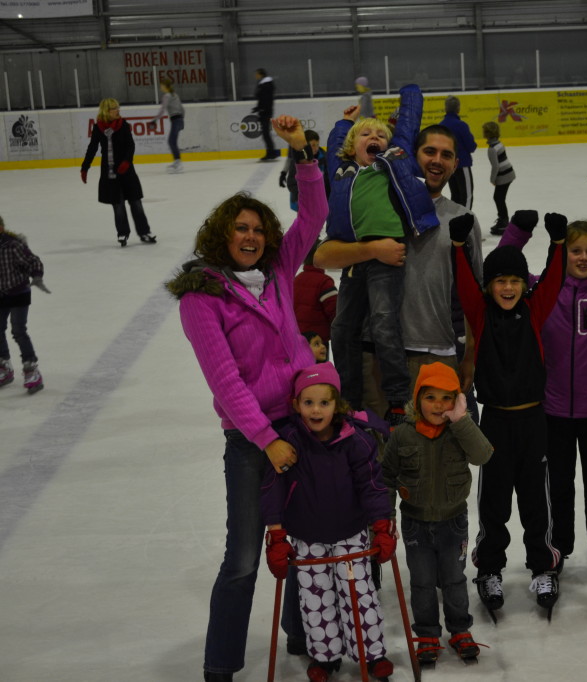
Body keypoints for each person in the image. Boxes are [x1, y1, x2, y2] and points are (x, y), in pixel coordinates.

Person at [165, 115, 328, 682]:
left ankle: (305, 637)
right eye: (240, 229)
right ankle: (219, 666)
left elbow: (315, 216)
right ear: (221, 235)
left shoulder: (280, 270)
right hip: (253, 440)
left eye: (258, 228)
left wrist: (304, 157)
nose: (251, 237)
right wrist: (265, 440)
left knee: (308, 542)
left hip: (308, 424)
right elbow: (225, 381)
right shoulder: (202, 296)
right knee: (242, 559)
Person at [497, 196, 587, 579]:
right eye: (575, 250)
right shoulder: (541, 291)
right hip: (552, 410)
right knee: (556, 487)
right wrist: (518, 232)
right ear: (563, 251)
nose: (582, 257)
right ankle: (556, 548)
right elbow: (501, 271)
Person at [315, 125, 484, 420]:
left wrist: (470, 355)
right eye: (429, 151)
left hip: (436, 353)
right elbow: (322, 256)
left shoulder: (463, 219)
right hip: (374, 357)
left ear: (456, 164)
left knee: (438, 460)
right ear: (410, 156)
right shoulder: (377, 203)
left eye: (446, 155)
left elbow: (474, 297)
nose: (437, 160)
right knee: (380, 459)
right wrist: (373, 249)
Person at [450, 210, 565, 616]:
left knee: (537, 501)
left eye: (516, 280)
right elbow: (464, 286)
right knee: (494, 503)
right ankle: (489, 568)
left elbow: (553, 281)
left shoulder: (533, 311)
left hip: (534, 422)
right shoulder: (480, 315)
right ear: (490, 285)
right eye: (501, 281)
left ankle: (543, 566)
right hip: (495, 421)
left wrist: (559, 244)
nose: (509, 287)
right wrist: (459, 246)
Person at [260, 362, 397, 682]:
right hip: (308, 538)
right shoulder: (288, 441)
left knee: (359, 596)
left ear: (337, 404)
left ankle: (372, 654)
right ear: (296, 405)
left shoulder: (356, 440)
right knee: (315, 600)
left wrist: (381, 526)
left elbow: (373, 487)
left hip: (351, 534)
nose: (316, 410)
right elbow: (273, 490)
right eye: (308, 403)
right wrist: (277, 537)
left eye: (324, 402)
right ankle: (325, 656)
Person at [323, 84, 439, 424]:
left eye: (380, 134)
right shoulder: (342, 171)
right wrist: (344, 125)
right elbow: (333, 148)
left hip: (388, 255)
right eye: (366, 135)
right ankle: (348, 396)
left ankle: (399, 396)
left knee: (384, 324)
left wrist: (410, 95)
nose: (374, 137)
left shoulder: (394, 161)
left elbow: (408, 127)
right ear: (352, 146)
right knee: (343, 328)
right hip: (354, 258)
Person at [379, 362, 493, 663]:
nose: (438, 405)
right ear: (417, 399)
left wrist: (461, 420)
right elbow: (386, 476)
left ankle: (459, 630)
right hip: (415, 522)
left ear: (456, 400)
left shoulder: (459, 430)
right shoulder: (403, 435)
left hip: (453, 521)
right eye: (430, 397)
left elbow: (483, 455)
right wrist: (386, 516)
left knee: (455, 579)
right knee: (422, 581)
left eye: (446, 398)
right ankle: (427, 633)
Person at [80, 98, 157, 248]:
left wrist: (127, 161)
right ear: (106, 111)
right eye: (114, 108)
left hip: (127, 170)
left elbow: (131, 145)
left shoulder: (123, 125)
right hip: (110, 173)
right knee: (118, 205)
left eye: (118, 108)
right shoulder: (98, 128)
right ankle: (123, 233)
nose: (118, 111)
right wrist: (85, 167)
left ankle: (144, 232)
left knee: (136, 202)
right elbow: (92, 148)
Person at [0, 214, 48, 394]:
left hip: (18, 292)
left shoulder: (13, 246)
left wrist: (36, 276)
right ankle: (3, 363)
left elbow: (33, 261)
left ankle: (30, 367)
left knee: (18, 330)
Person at [294, 241, 337, 358]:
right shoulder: (325, 282)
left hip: (297, 340)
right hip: (318, 342)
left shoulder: (295, 280)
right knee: (319, 373)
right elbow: (335, 313)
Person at [440, 95, 477, 209]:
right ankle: (465, 222)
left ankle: (454, 220)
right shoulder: (461, 125)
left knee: (455, 195)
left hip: (448, 166)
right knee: (467, 195)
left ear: (446, 108)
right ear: (458, 109)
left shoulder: (441, 126)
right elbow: (471, 146)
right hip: (462, 164)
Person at [279, 129, 329, 211]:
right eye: (313, 145)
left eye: (317, 144)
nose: (316, 148)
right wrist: (305, 195)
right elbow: (292, 183)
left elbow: (327, 179)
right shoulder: (298, 161)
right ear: (305, 145)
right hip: (302, 203)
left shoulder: (324, 157)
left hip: (320, 200)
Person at [483, 120, 515, 236]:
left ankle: (504, 222)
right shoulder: (499, 143)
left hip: (504, 175)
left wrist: (492, 179)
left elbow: (495, 166)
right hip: (509, 172)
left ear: (486, 134)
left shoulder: (492, 149)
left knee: (498, 198)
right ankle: (503, 220)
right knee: (499, 198)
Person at [147, 78, 186, 173]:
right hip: (179, 119)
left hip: (175, 120)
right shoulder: (175, 95)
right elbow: (182, 108)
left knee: (171, 141)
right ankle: (177, 162)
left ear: (165, 86)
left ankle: (178, 163)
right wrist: (182, 120)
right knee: (172, 141)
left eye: (161, 85)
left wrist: (155, 120)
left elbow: (162, 109)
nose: (160, 87)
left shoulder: (167, 96)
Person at [253, 68, 279, 161]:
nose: (255, 76)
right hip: (265, 111)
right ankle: (271, 152)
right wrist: (258, 108)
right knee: (266, 133)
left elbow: (266, 99)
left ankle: (271, 153)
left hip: (266, 112)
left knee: (266, 133)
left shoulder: (266, 85)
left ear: (261, 74)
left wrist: (262, 108)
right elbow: (262, 99)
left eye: (257, 74)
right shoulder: (264, 84)